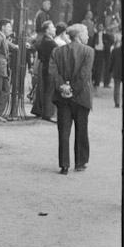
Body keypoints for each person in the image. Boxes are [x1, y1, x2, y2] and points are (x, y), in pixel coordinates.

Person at [49, 23, 94, 174]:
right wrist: (73, 90)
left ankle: (64, 164)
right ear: (79, 35)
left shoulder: (57, 51)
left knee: (63, 130)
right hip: (81, 97)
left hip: (62, 98)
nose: (88, 36)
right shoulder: (88, 51)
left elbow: (53, 72)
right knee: (82, 130)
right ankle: (80, 162)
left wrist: (63, 86)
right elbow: (84, 74)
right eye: (86, 33)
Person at [36, 19, 57, 121]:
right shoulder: (50, 42)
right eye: (52, 27)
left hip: (45, 67)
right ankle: (48, 114)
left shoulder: (44, 40)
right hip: (49, 68)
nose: (55, 29)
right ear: (47, 30)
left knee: (47, 90)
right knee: (49, 91)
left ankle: (46, 113)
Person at [108, 34, 123, 108]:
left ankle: (117, 103)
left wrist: (110, 70)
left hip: (117, 71)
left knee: (117, 88)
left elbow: (111, 61)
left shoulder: (115, 50)